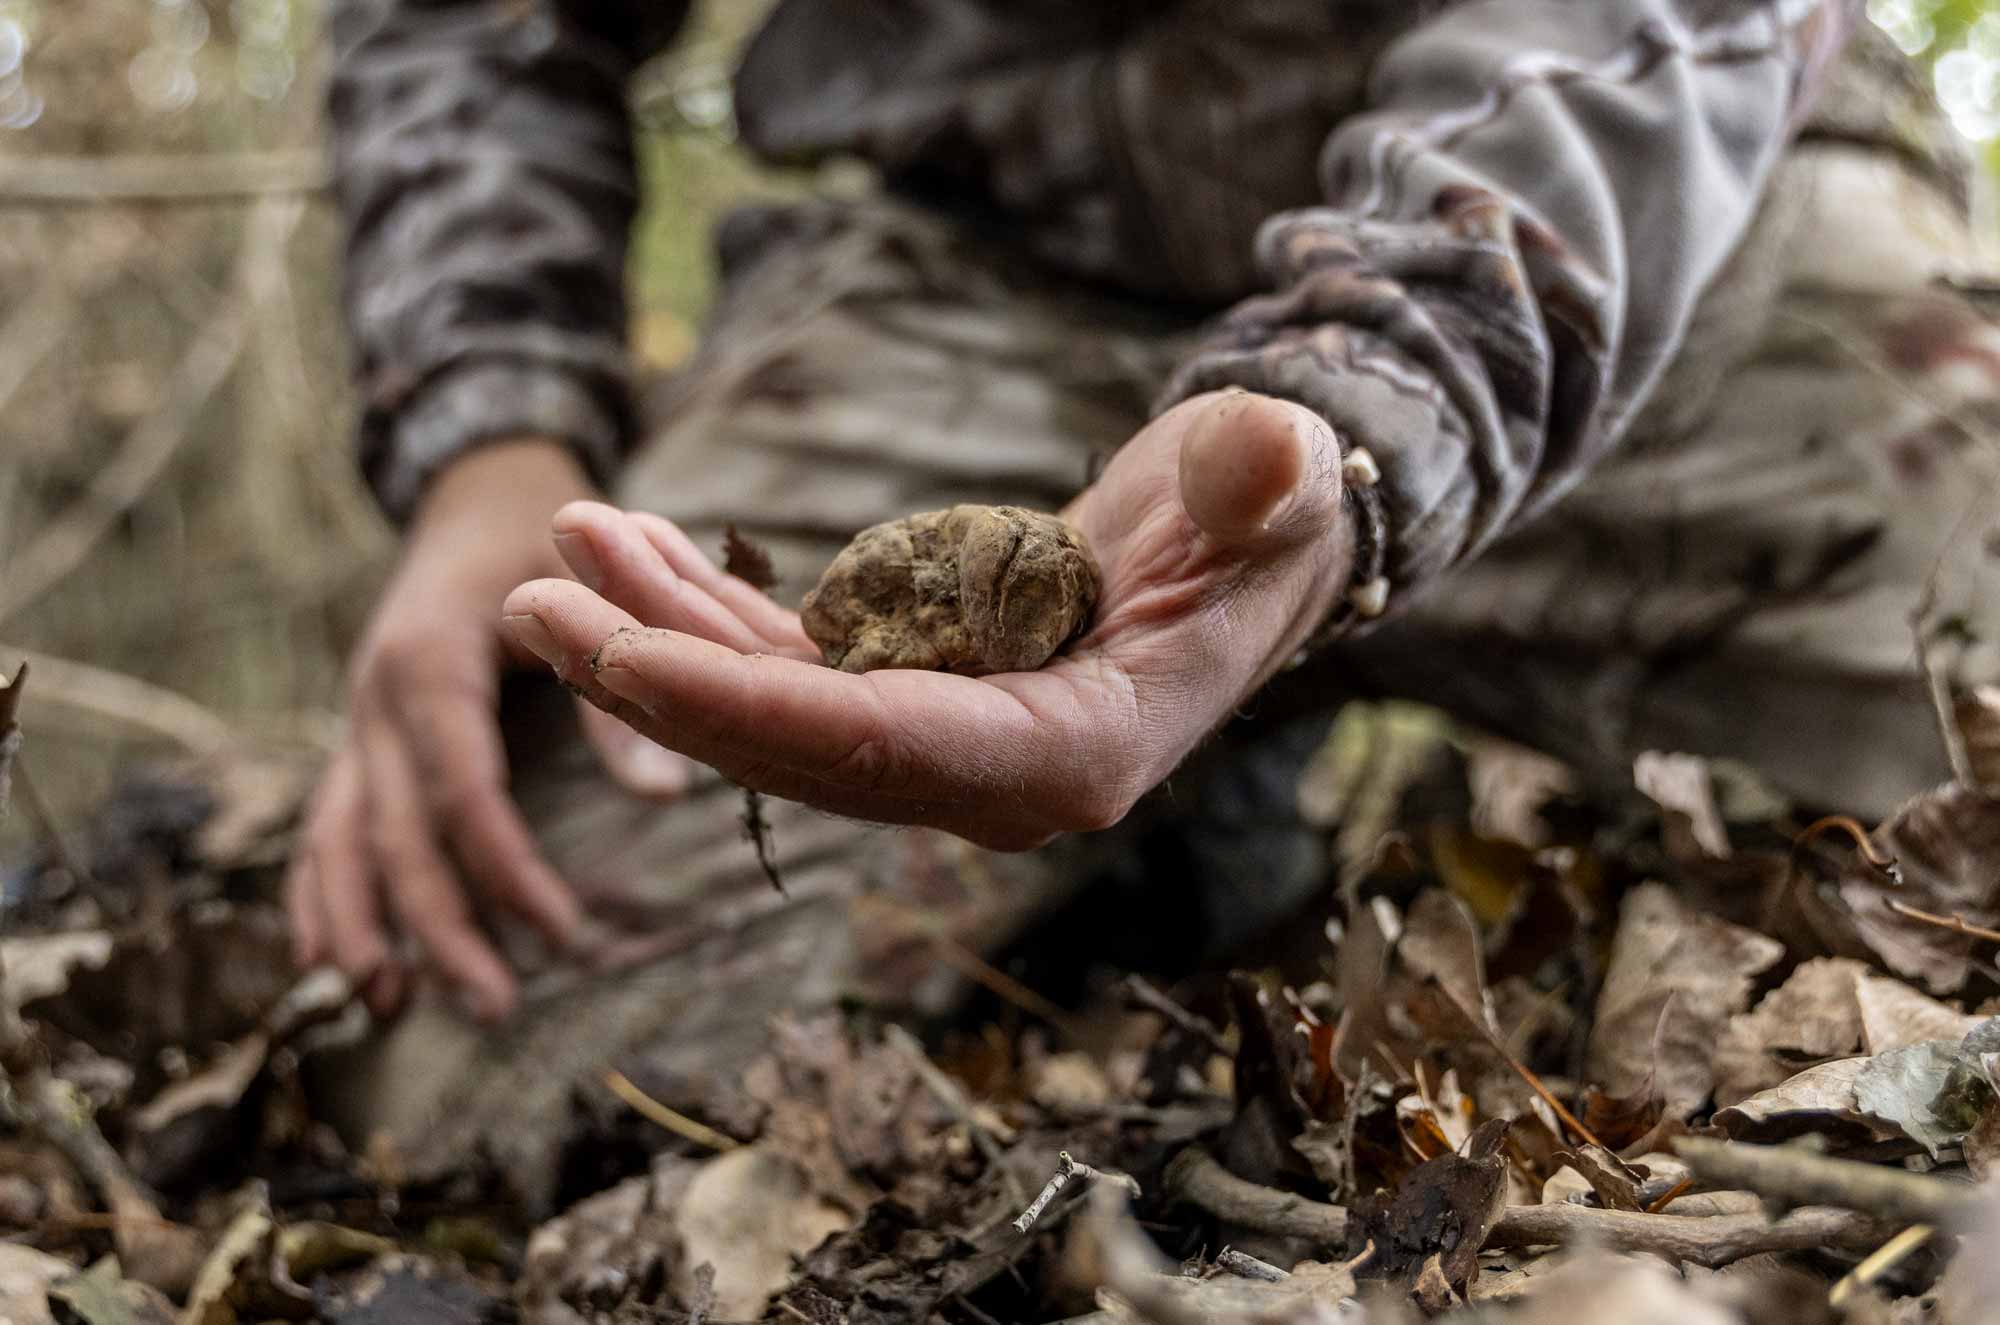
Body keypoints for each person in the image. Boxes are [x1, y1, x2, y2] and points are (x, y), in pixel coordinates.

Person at [290, 0, 2000, 1198]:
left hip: (1643, 213)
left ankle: (1229, 754)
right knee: (455, 1064)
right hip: (984, 265)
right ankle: (1199, 843)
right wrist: (489, 430)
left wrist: (1379, 389)